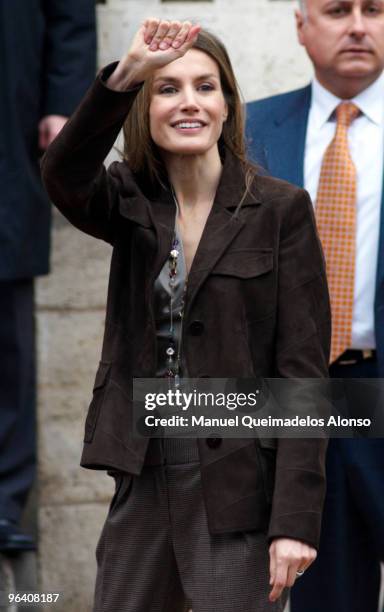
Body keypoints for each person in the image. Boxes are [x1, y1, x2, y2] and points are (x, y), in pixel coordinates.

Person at [41, 19, 330, 612]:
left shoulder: (280, 210)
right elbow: (62, 174)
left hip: (237, 479)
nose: (189, 103)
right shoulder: (125, 199)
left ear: (227, 104)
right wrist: (124, 76)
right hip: (143, 468)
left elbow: (302, 377)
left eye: (206, 86)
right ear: (145, 108)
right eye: (167, 88)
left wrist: (294, 521)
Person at [246, 1, 384, 611]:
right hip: (299, 399)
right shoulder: (247, 130)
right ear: (301, 26)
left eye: (375, 9)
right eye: (336, 9)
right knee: (326, 596)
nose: (358, 25)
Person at [0, 0, 96, 553]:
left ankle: (4, 499)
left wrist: (65, 105)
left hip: (9, 122)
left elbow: (70, 15)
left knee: (5, 333)